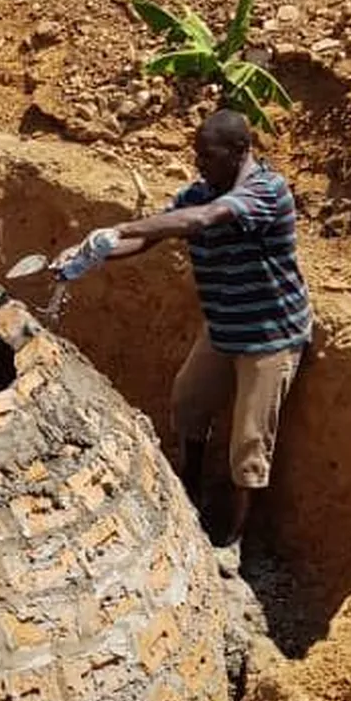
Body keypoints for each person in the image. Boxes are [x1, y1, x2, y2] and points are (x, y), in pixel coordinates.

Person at [58, 107, 311, 567]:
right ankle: (188, 497)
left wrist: (121, 227)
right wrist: (94, 255)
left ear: (240, 151)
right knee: (188, 402)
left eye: (208, 156)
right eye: (196, 155)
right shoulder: (200, 191)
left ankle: (233, 542)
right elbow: (154, 237)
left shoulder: (265, 191)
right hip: (224, 327)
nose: (199, 165)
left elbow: (202, 221)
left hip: (271, 335)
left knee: (249, 443)